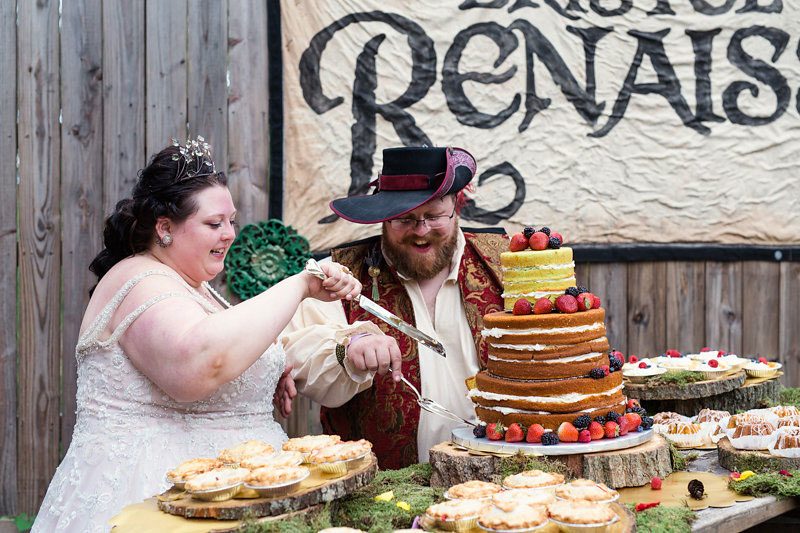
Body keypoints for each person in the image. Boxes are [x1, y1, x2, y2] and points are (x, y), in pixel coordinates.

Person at [32, 137, 360, 532]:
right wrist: (300, 285)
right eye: (213, 224)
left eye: (231, 221)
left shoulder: (193, 288)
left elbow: (220, 346)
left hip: (223, 496)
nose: (229, 235)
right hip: (151, 497)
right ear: (165, 228)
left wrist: (265, 367)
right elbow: (195, 367)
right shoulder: (139, 278)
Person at [279, 146, 507, 469]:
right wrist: (348, 347)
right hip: (378, 499)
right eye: (405, 218)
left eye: (434, 215)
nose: (421, 230)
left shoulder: (504, 264)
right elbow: (294, 350)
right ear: (383, 217)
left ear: (456, 207)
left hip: (504, 486)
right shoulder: (337, 275)